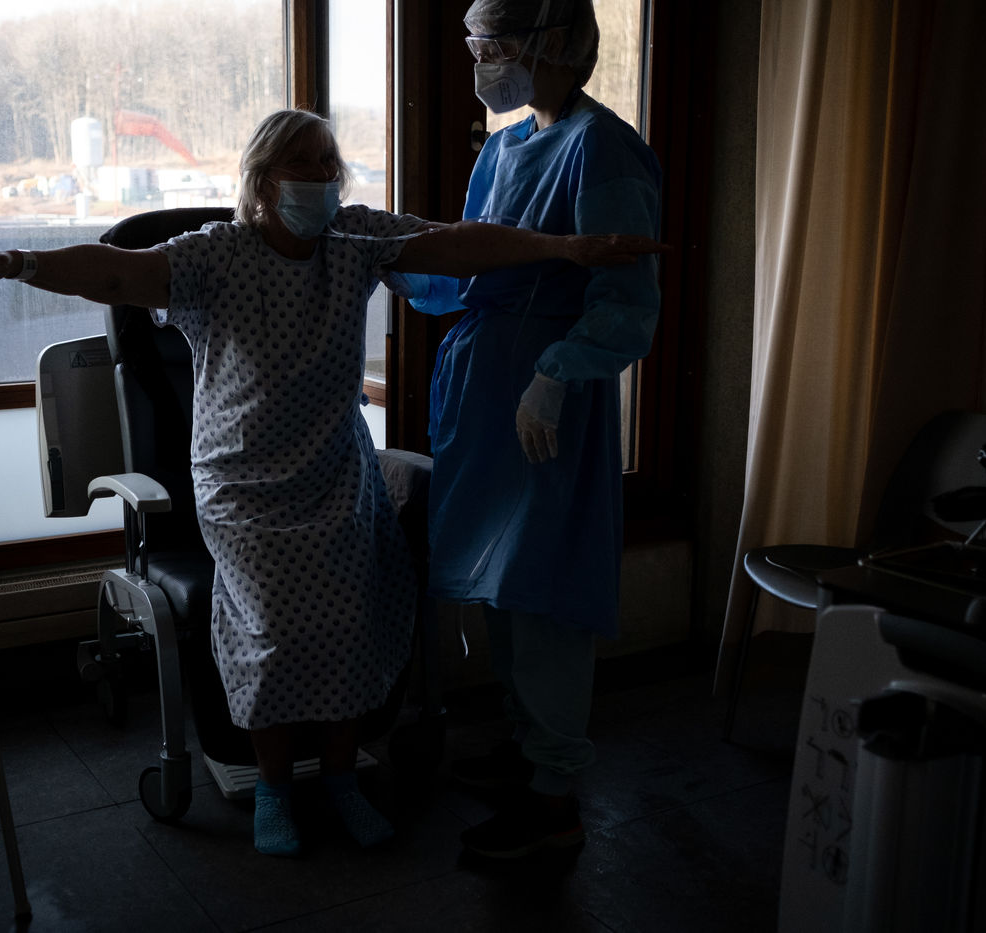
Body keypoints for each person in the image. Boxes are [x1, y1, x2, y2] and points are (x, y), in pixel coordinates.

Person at [0, 107, 663, 858]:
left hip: (336, 473)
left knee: (350, 626)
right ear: (262, 181)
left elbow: (455, 243)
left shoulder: (352, 241)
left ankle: (339, 778)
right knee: (272, 632)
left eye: (330, 166)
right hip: (244, 486)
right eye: (303, 166)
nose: (321, 180)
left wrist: (564, 247)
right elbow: (117, 271)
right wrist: (20, 263)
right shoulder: (215, 255)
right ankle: (273, 786)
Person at [399, 0, 663, 860]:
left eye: (495, 45)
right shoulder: (506, 147)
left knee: (545, 591)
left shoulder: (602, 148)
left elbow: (628, 299)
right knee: (503, 589)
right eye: (477, 46)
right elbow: (472, 263)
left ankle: (554, 800)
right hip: (485, 401)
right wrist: (396, 257)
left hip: (548, 406)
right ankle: (525, 747)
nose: (483, 61)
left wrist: (556, 375)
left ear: (552, 43)